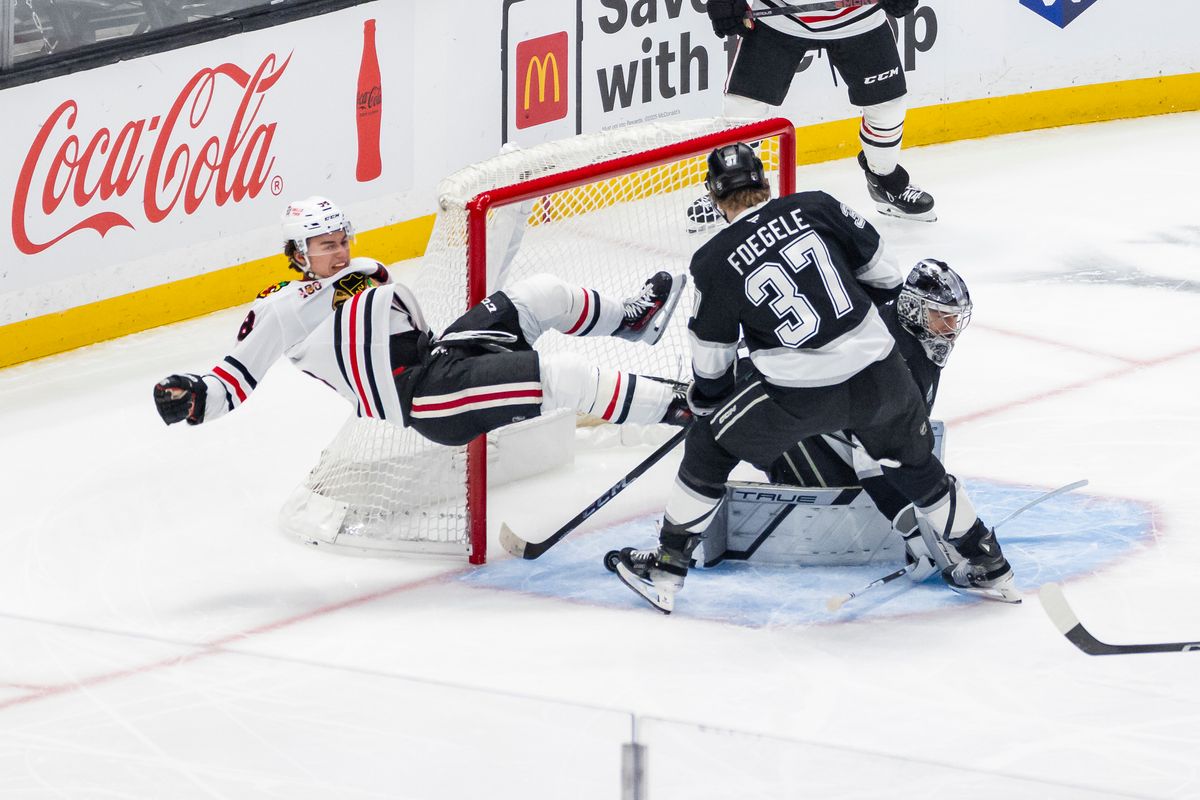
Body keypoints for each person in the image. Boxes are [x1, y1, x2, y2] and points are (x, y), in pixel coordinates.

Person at [612, 144, 1015, 614]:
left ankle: (666, 568)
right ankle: (989, 563)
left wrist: (712, 401)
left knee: (710, 444)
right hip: (882, 373)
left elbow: (713, 363)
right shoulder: (817, 206)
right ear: (766, 182)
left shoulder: (712, 261)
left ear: (715, 197)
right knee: (917, 467)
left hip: (800, 395)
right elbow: (888, 279)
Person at [154, 196, 692, 447]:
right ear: (298, 253)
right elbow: (235, 375)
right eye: (326, 245)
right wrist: (195, 396)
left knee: (541, 294)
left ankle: (633, 320)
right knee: (566, 377)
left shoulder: (368, 270)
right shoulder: (281, 308)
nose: (340, 252)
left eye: (342, 240)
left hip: (442, 358)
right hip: (426, 399)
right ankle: (682, 408)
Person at [763, 258, 973, 582]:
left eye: (954, 318)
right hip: (791, 419)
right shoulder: (890, 357)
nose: (950, 328)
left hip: (835, 418)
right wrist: (911, 528)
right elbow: (871, 455)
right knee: (838, 497)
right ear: (914, 309)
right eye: (941, 316)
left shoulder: (912, 339)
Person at [689, 0, 934, 230]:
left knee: (888, 106)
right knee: (743, 107)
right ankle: (731, 190)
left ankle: (886, 180)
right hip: (780, 17)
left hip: (860, 18)